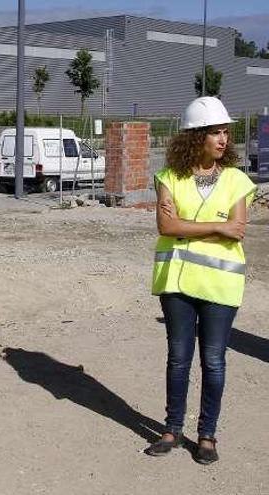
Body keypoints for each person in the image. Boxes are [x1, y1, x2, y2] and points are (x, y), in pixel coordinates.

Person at [146, 96, 255, 465]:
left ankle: (207, 435)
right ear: (196, 137)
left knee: (214, 361)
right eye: (214, 132)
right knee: (178, 358)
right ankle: (171, 429)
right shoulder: (169, 177)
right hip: (177, 283)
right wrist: (216, 226)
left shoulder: (238, 180)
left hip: (221, 286)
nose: (223, 139)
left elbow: (237, 231)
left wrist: (188, 229)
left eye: (225, 132)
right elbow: (166, 225)